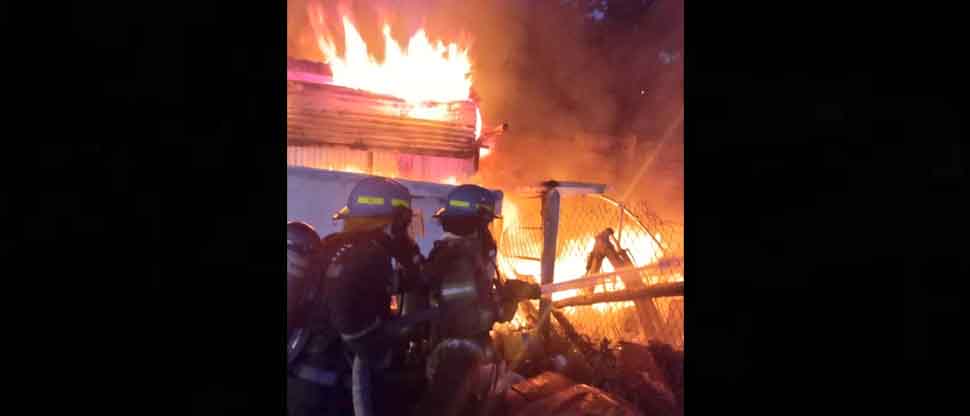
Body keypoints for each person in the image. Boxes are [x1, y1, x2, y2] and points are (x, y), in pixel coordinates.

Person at [411, 185, 539, 416]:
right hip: (456, 358)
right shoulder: (460, 259)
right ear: (478, 222)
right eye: (487, 222)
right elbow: (468, 319)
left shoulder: (458, 253)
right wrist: (508, 300)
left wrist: (507, 294)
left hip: (457, 352)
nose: (489, 229)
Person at [322, 177, 428, 416]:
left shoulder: (334, 246)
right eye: (404, 222)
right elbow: (353, 327)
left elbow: (373, 287)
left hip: (310, 376)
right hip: (335, 388)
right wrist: (386, 354)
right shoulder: (372, 255)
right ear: (396, 220)